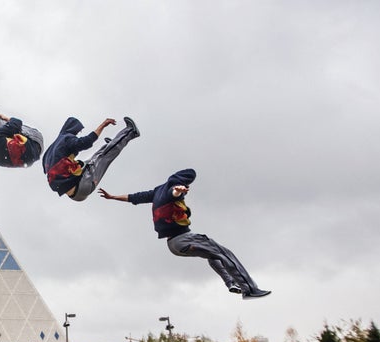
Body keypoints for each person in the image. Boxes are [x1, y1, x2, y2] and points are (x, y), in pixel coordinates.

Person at [99, 168, 271, 299]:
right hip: (183, 238)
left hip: (173, 245)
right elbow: (174, 193)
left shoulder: (157, 191)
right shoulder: (172, 191)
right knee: (226, 254)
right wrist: (179, 191)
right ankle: (250, 289)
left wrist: (112, 197)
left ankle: (230, 282)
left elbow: (134, 197)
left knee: (213, 256)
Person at [42, 116, 139, 201]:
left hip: (75, 190)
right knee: (104, 156)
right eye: (78, 131)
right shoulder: (67, 139)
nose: (77, 134)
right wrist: (103, 125)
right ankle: (131, 132)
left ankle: (108, 146)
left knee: (87, 162)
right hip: (81, 186)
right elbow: (86, 142)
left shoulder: (51, 150)